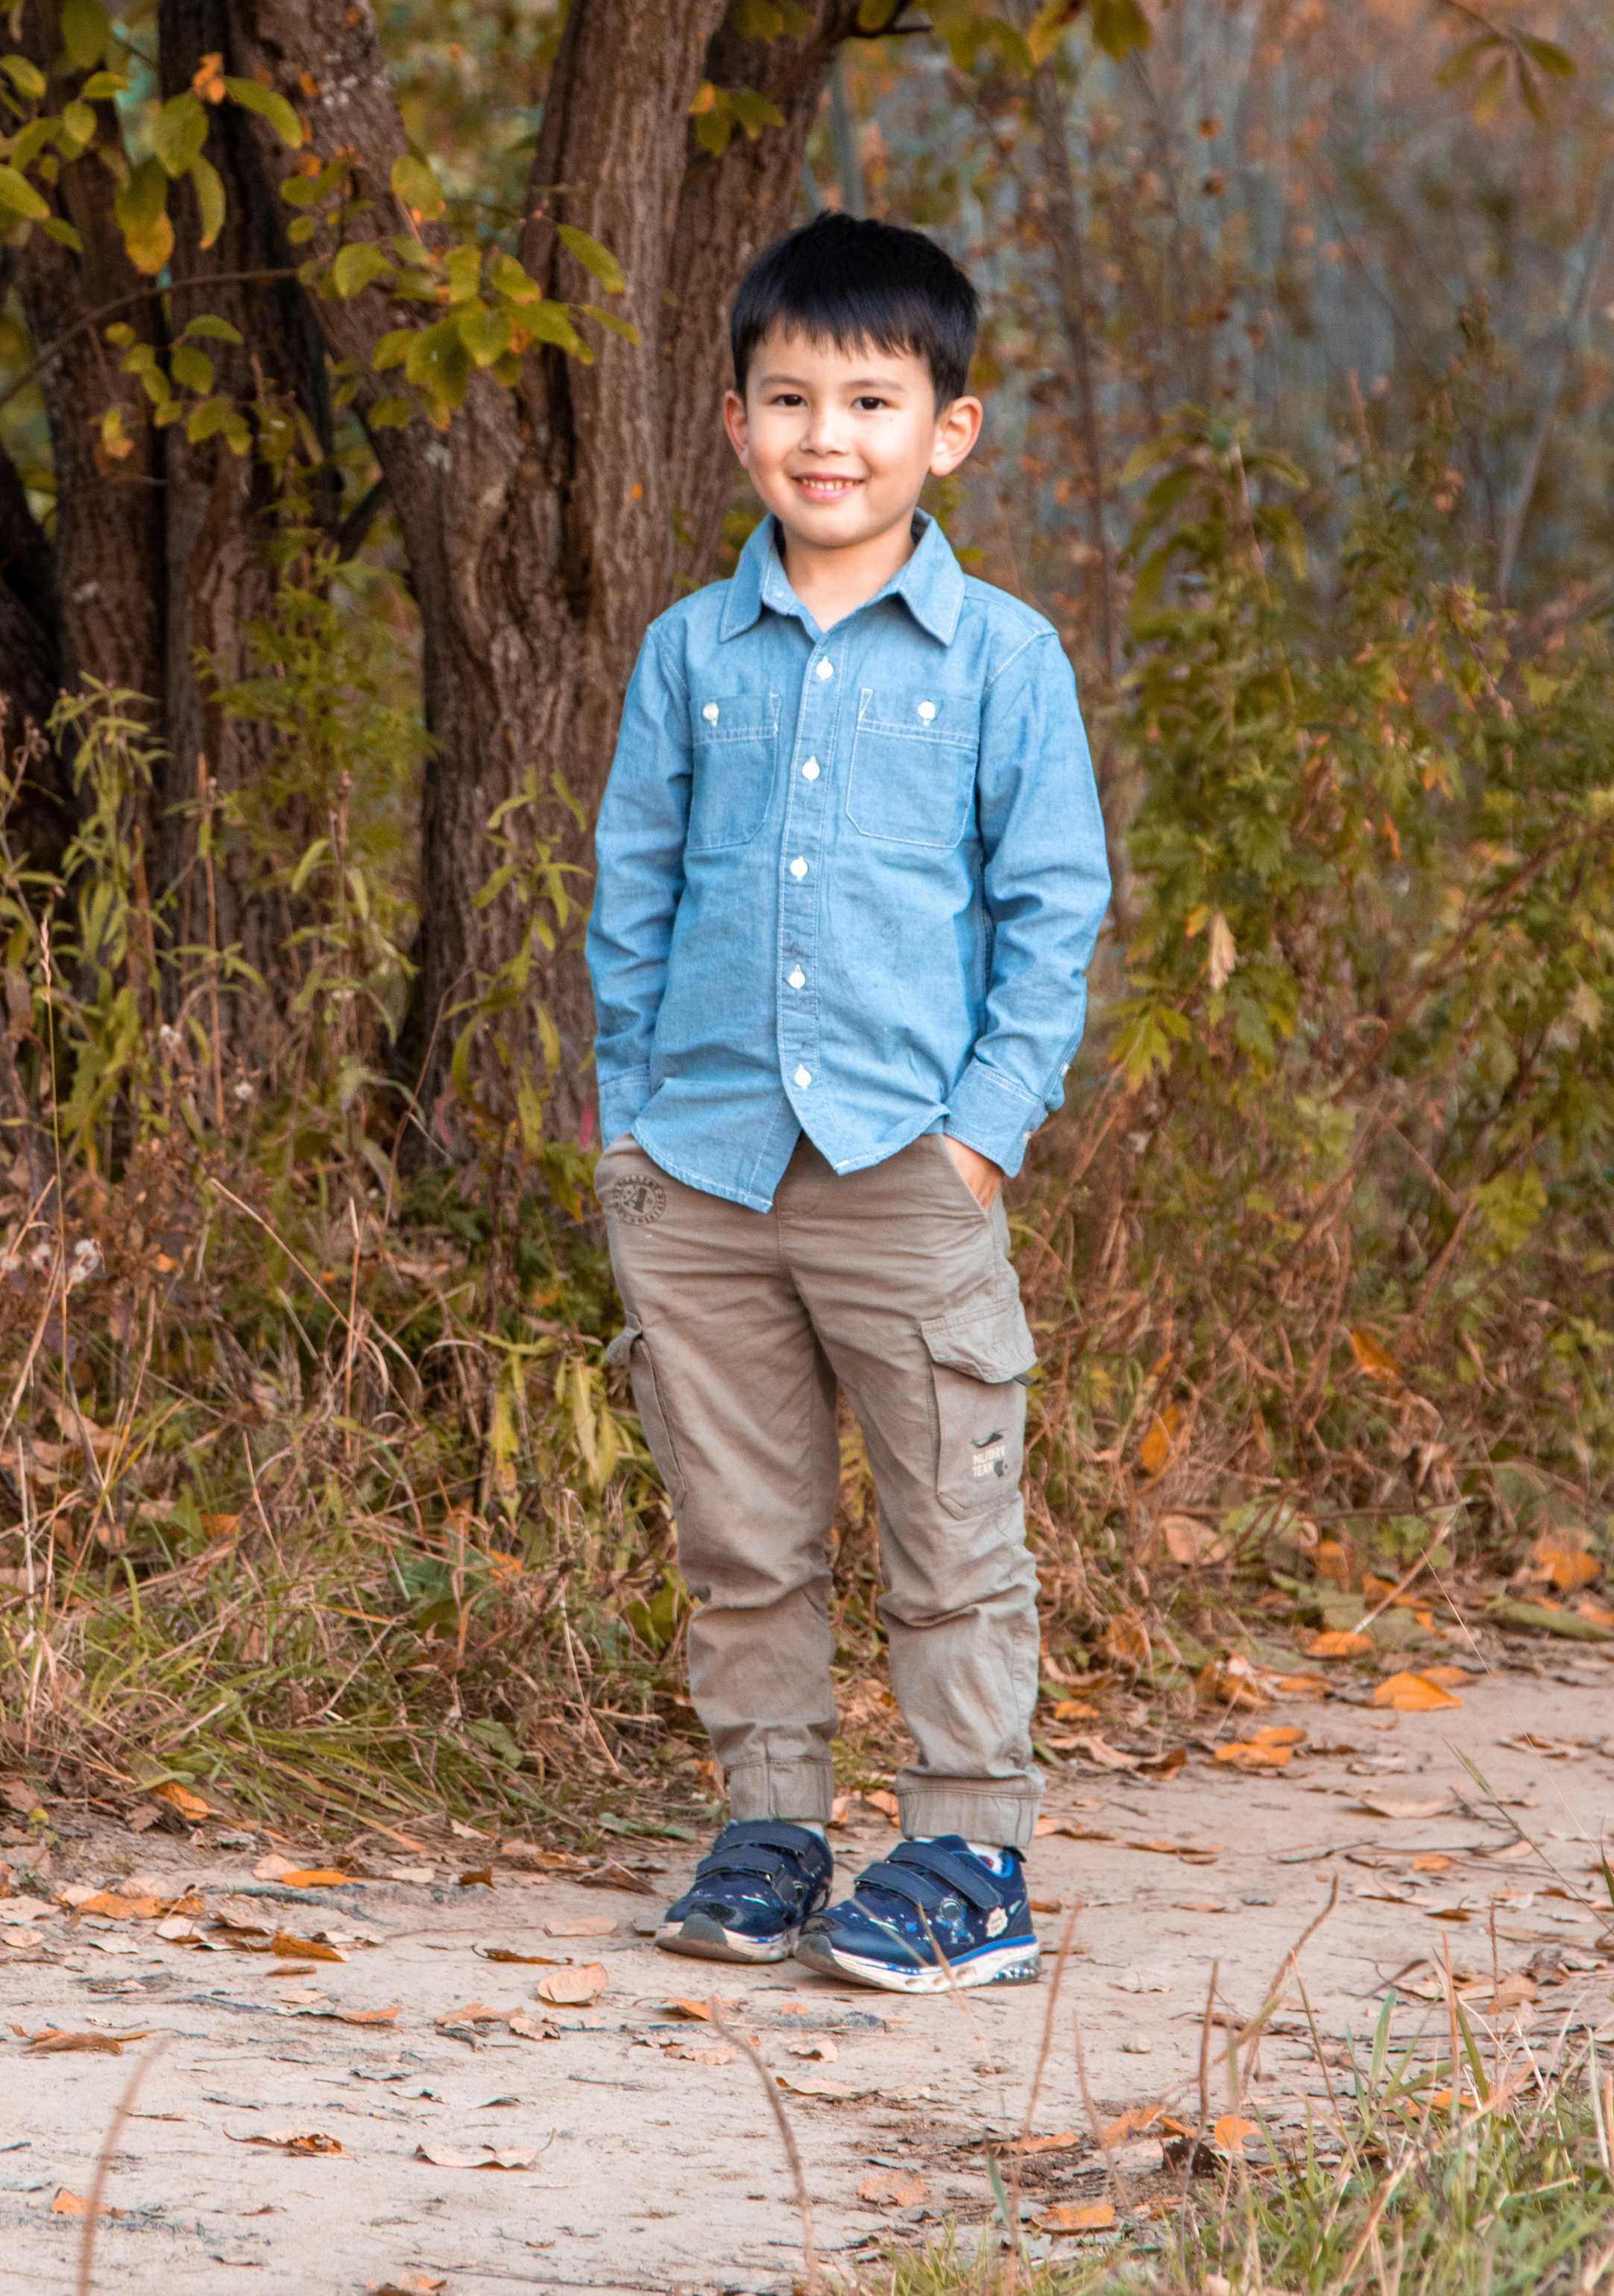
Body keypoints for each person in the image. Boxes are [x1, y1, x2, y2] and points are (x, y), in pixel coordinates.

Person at [584, 210, 1111, 1993]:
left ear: (944, 432)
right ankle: (773, 1828)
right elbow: (630, 895)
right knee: (741, 1528)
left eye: (870, 401)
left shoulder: (1000, 661)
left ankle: (968, 1852)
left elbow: (1052, 915)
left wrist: (979, 1137)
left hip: (903, 1164)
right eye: (788, 397)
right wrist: (625, 1126)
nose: (828, 435)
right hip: (702, 1162)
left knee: (949, 1524)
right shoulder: (689, 653)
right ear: (734, 423)